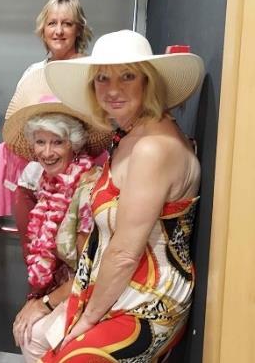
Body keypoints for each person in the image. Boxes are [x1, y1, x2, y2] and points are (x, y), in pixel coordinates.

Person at [40, 30, 205, 361]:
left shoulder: (152, 148)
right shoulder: (130, 135)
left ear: (148, 82)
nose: (112, 89)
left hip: (149, 301)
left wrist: (88, 318)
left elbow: (125, 254)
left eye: (127, 76)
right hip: (116, 287)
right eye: (102, 78)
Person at [2, 71, 110, 362]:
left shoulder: (88, 189)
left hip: (96, 291)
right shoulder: (46, 183)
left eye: (57, 142)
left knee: (33, 335)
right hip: (66, 286)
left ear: (74, 145)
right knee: (27, 329)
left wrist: (45, 304)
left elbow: (91, 270)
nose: (47, 152)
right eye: (40, 142)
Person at [0, 0, 94, 244]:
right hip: (32, 183)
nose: (59, 31)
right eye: (52, 23)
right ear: (43, 30)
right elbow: (20, 122)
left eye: (67, 23)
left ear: (78, 29)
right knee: (35, 256)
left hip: (79, 184)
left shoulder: (93, 70)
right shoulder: (33, 72)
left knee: (72, 256)